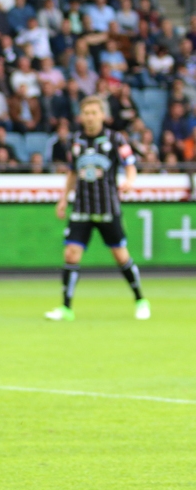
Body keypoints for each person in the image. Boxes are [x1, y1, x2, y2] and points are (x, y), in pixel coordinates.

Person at [46, 96, 150, 322]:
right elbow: (73, 172)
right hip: (82, 207)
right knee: (71, 253)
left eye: (94, 113)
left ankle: (140, 300)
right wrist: (63, 199)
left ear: (102, 115)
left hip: (107, 208)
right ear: (81, 116)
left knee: (120, 256)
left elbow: (130, 165)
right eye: (86, 113)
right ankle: (66, 308)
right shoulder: (75, 141)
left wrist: (130, 181)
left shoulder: (116, 139)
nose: (90, 117)